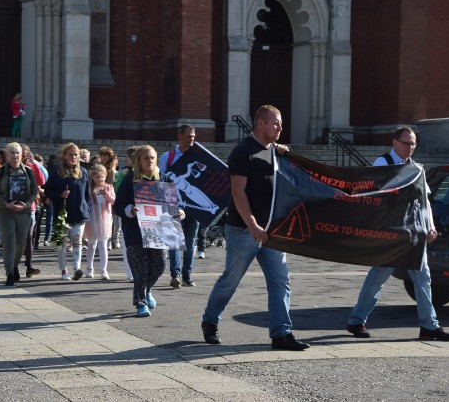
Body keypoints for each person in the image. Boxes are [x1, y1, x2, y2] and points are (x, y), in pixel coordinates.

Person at [201, 105, 310, 351]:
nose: (281, 127)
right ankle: (210, 320)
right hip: (244, 230)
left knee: (280, 281)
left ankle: (281, 334)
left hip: (271, 231)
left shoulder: (276, 151)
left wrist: (284, 153)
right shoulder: (243, 152)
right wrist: (253, 225)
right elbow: (237, 192)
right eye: (276, 123)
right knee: (231, 280)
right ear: (260, 123)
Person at [346, 127, 449, 341]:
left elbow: (425, 202)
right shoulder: (382, 164)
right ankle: (356, 321)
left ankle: (429, 326)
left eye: (413, 144)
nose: (410, 148)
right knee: (378, 277)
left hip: (413, 233)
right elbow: (373, 199)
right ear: (395, 142)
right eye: (406, 143)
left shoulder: (416, 168)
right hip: (390, 234)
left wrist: (430, 226)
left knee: (423, 278)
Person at [114, 145, 182, 317]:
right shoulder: (130, 180)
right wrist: (130, 209)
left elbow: (173, 204)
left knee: (160, 265)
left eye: (152, 157)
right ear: (138, 160)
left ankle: (147, 290)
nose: (150, 161)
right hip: (136, 232)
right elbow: (118, 205)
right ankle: (140, 303)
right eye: (146, 158)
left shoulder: (164, 179)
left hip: (159, 232)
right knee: (140, 269)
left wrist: (178, 212)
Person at [0, 142, 39, 286]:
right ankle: (10, 273)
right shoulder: (0, 172)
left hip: (23, 211)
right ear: (6, 155)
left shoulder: (28, 171)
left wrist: (28, 204)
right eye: (12, 152)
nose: (15, 155)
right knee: (9, 240)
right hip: (5, 211)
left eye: (17, 152)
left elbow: (34, 191)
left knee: (21, 243)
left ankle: (15, 264)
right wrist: (6, 204)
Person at [159, 124, 200, 288]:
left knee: (190, 242)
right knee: (174, 241)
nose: (192, 139)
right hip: (173, 204)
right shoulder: (167, 157)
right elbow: (161, 180)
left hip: (193, 206)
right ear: (180, 136)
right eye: (189, 136)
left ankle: (187, 275)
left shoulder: (198, 156)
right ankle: (175, 275)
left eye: (193, 137)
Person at [44, 143, 92, 280]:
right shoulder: (57, 172)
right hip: (62, 215)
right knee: (62, 243)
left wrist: (87, 207)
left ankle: (77, 268)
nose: (74, 157)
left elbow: (87, 193)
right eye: (70, 154)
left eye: (76, 154)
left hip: (80, 213)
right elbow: (48, 190)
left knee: (77, 241)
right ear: (65, 156)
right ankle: (64, 271)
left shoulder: (83, 171)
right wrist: (60, 194)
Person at [84, 163, 116, 279]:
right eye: (97, 177)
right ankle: (89, 268)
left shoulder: (109, 187)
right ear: (92, 177)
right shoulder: (89, 188)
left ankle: (103, 270)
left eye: (102, 177)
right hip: (92, 218)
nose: (100, 179)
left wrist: (106, 194)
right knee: (92, 244)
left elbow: (113, 201)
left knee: (103, 244)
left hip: (105, 218)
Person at [20, 144, 46, 277]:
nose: (24, 156)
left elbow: (41, 180)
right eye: (22, 153)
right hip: (15, 206)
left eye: (26, 153)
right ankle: (12, 267)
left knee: (29, 236)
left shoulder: (30, 166)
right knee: (17, 237)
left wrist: (34, 164)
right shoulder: (11, 167)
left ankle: (29, 266)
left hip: (30, 206)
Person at [114, 146, 138, 282]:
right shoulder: (123, 173)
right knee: (126, 242)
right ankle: (130, 273)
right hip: (129, 211)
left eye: (128, 156)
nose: (125, 159)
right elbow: (117, 190)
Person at [98, 146, 120, 250]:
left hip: (109, 195)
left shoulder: (111, 170)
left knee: (111, 221)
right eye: (101, 155)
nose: (101, 157)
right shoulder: (99, 167)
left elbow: (110, 183)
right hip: (99, 196)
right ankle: (105, 240)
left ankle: (111, 240)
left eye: (103, 155)